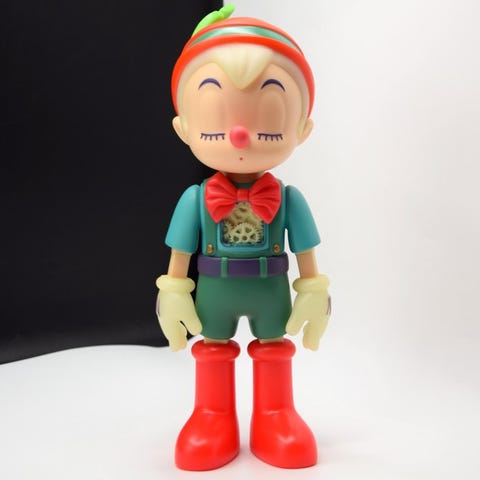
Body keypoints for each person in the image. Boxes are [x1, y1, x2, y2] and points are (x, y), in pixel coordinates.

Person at [156, 4, 331, 471]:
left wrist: (314, 293)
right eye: (215, 113)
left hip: (271, 290)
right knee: (212, 350)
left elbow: (308, 258)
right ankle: (212, 415)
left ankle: (276, 414)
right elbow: (178, 259)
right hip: (214, 290)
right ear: (184, 127)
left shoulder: (289, 199)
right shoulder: (195, 200)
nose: (238, 134)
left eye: (269, 114)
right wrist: (173, 293)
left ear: (301, 129)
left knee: (274, 349)